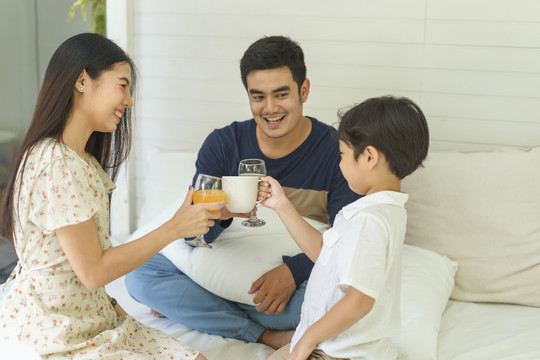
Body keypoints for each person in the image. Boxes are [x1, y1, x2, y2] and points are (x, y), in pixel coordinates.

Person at [125, 35, 359, 349]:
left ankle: (197, 307)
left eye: (281, 94)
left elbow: (348, 242)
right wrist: (217, 220)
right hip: (231, 271)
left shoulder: (336, 152)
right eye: (258, 96)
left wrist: (294, 270)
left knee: (319, 303)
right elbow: (194, 238)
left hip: (290, 281)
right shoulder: (223, 145)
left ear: (304, 90)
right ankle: (261, 335)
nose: (270, 108)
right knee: (140, 275)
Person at [0, 33, 222, 360]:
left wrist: (114, 310)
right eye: (122, 85)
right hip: (57, 330)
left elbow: (76, 268)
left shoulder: (78, 161)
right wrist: (175, 227)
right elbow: (93, 272)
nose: (129, 100)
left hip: (89, 317)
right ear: (82, 81)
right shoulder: (59, 165)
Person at [260, 95, 430, 360]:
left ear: (369, 156)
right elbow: (323, 254)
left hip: (335, 353)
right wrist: (281, 204)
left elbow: (360, 301)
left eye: (342, 155)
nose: (339, 165)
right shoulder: (383, 211)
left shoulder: (369, 220)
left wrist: (307, 340)